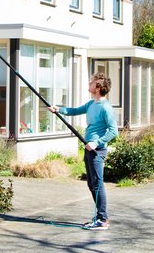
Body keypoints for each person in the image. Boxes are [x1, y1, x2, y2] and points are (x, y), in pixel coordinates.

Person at [48, 72, 118, 230]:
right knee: (91, 184)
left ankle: (102, 219)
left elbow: (113, 131)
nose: (89, 83)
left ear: (98, 87)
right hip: (88, 149)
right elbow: (74, 111)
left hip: (97, 151)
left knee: (97, 184)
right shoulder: (91, 104)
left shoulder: (105, 107)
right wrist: (59, 109)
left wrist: (96, 143)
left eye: (92, 82)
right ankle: (100, 216)